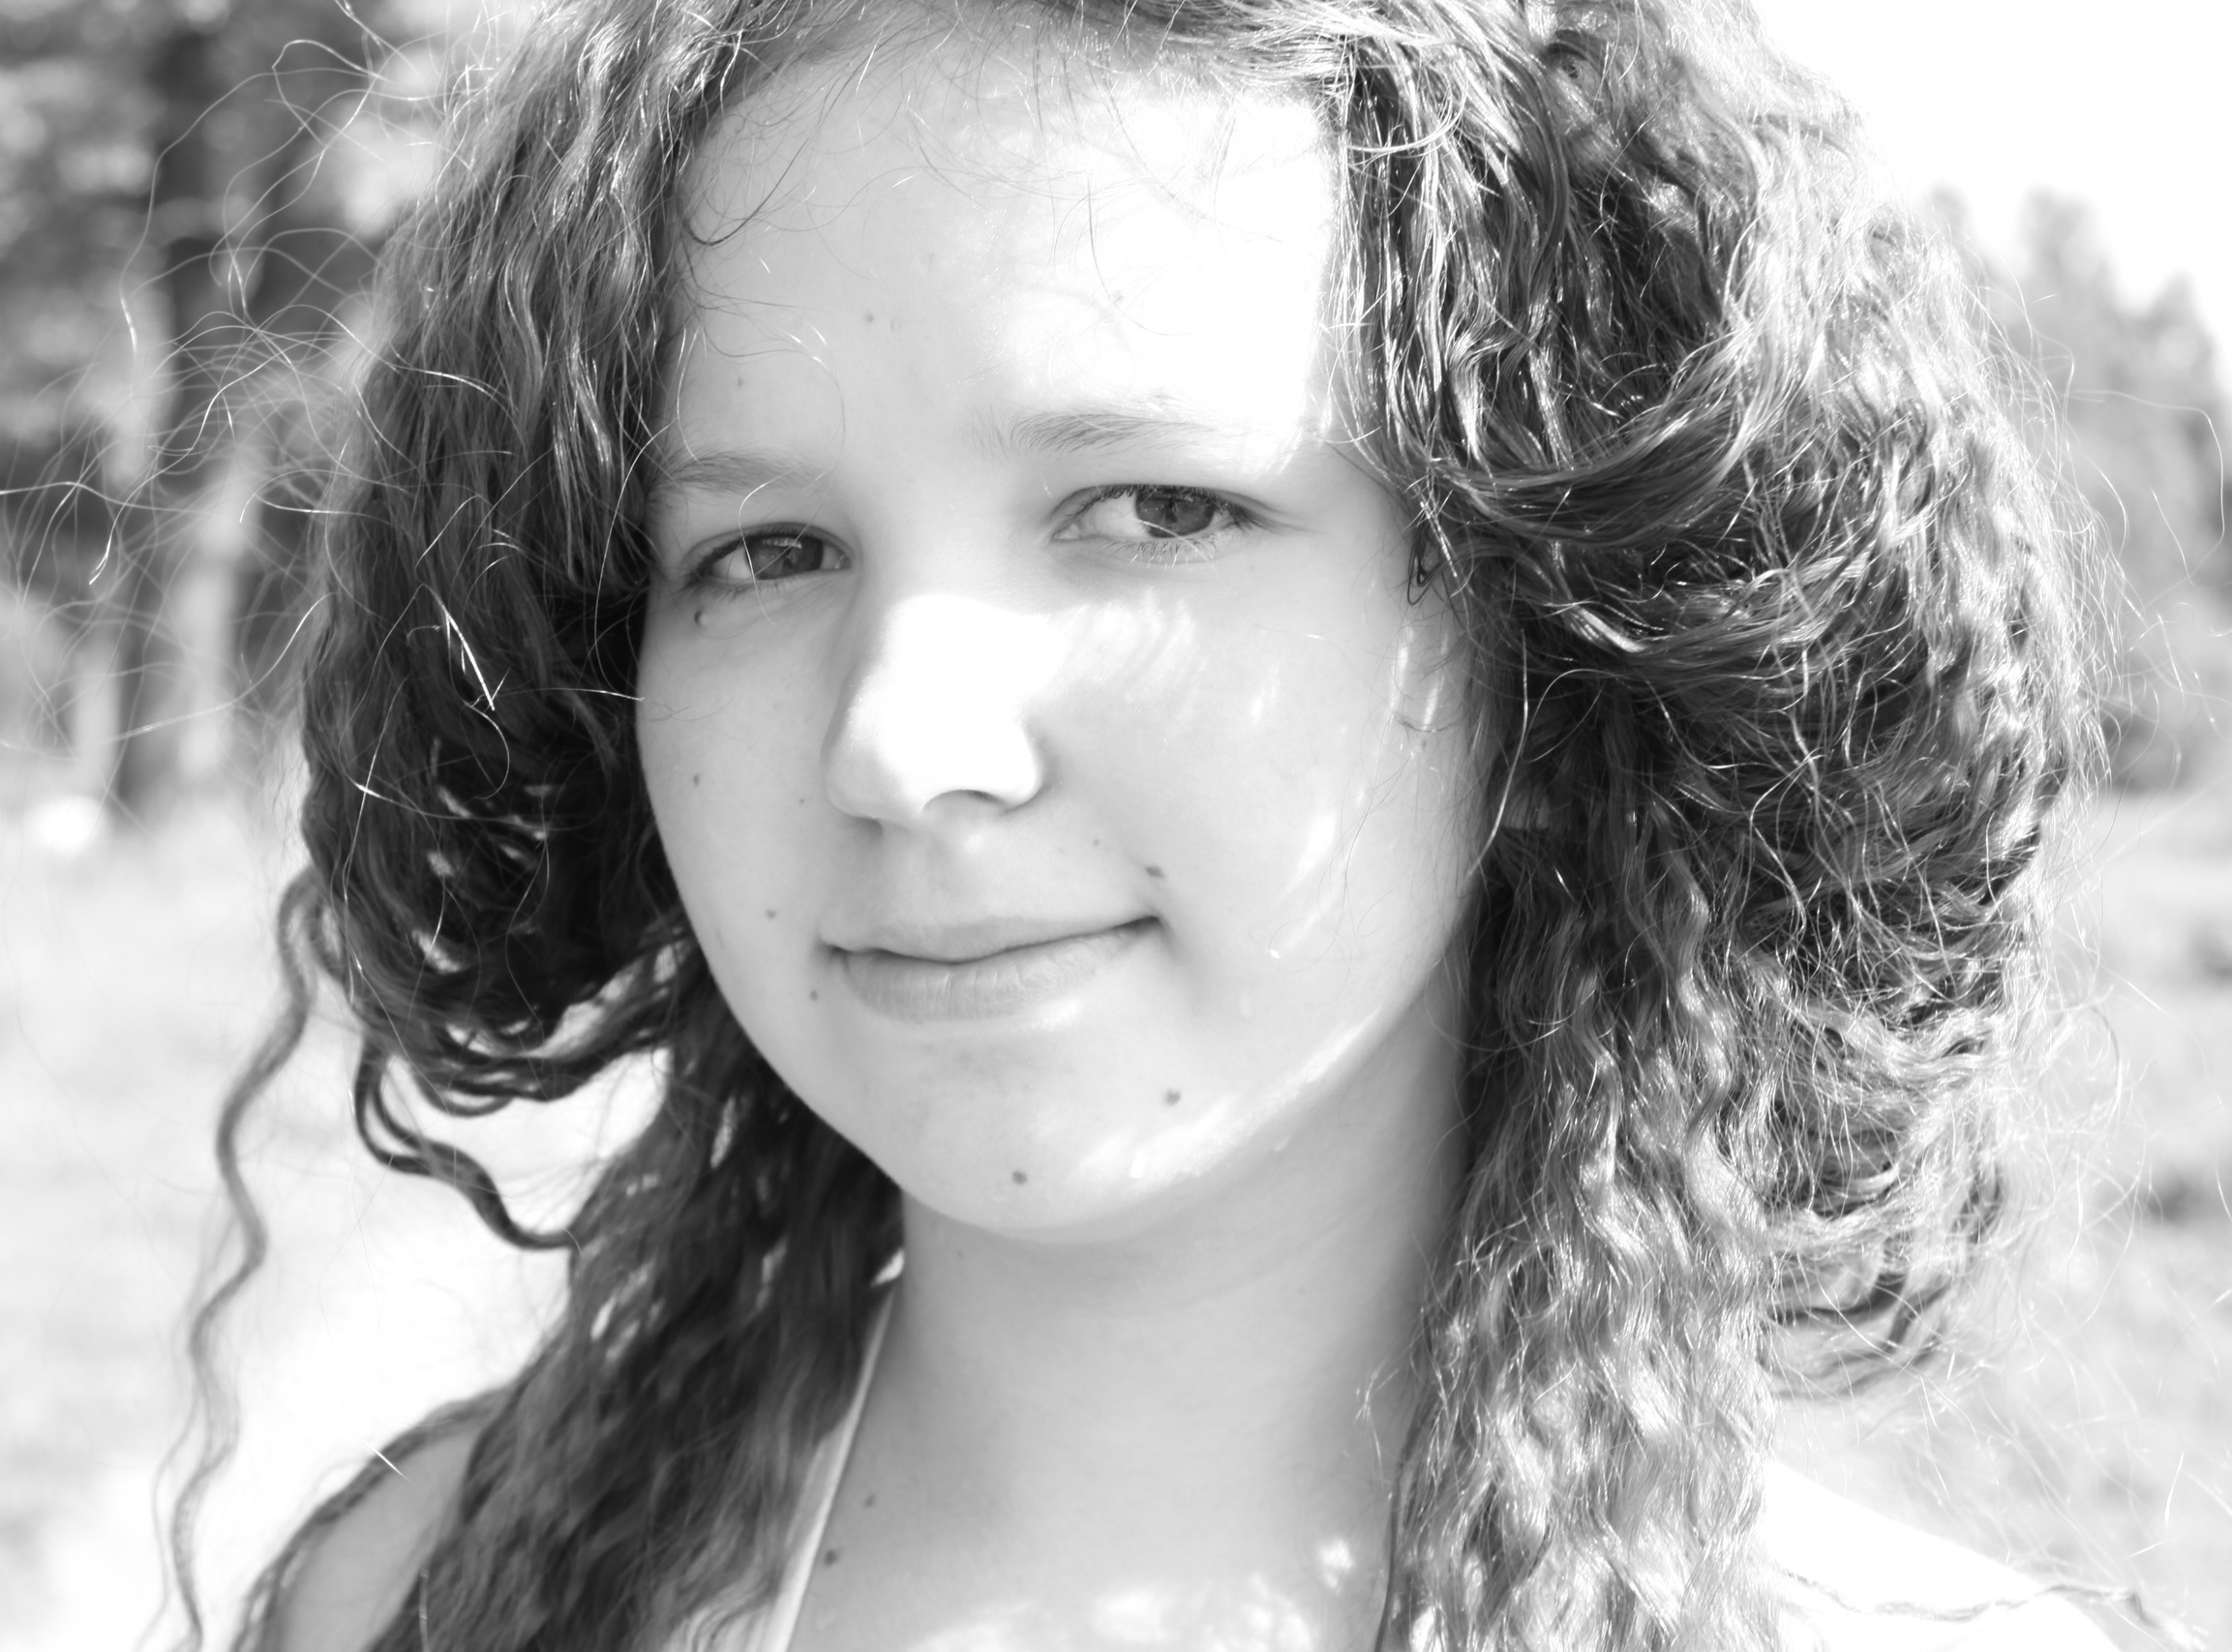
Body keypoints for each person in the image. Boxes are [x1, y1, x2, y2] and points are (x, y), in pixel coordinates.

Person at [182, 0, 2124, 1647]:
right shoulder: (404, 1602)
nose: (899, 740)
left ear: (1548, 621)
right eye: (763, 550)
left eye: (1153, 510)